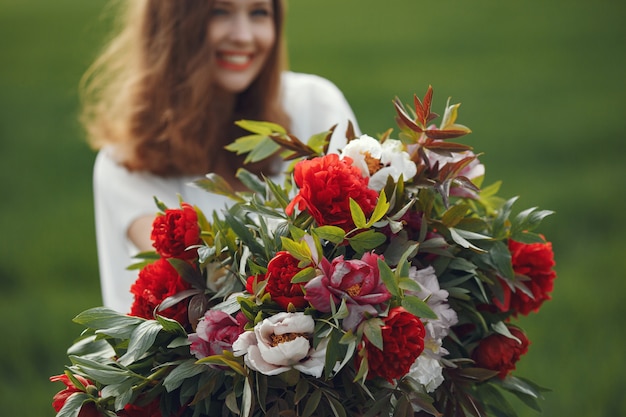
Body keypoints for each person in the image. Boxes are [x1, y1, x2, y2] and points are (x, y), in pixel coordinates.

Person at [81, 0, 360, 313]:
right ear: (172, 25)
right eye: (219, 11)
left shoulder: (316, 107)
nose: (243, 36)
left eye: (259, 12)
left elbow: (360, 247)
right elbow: (205, 285)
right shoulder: (128, 161)